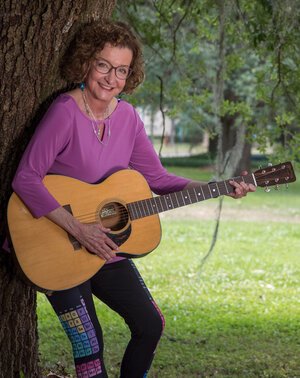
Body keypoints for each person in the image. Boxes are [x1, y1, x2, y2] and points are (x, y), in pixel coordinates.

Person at [11, 20, 255, 378]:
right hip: (53, 248)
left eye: (121, 70)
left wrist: (219, 185)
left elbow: (157, 179)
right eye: (103, 65)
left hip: (106, 250)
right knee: (89, 349)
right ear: (86, 63)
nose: (111, 78)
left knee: (150, 324)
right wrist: (79, 229)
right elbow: (26, 178)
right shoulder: (65, 111)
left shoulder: (128, 118)